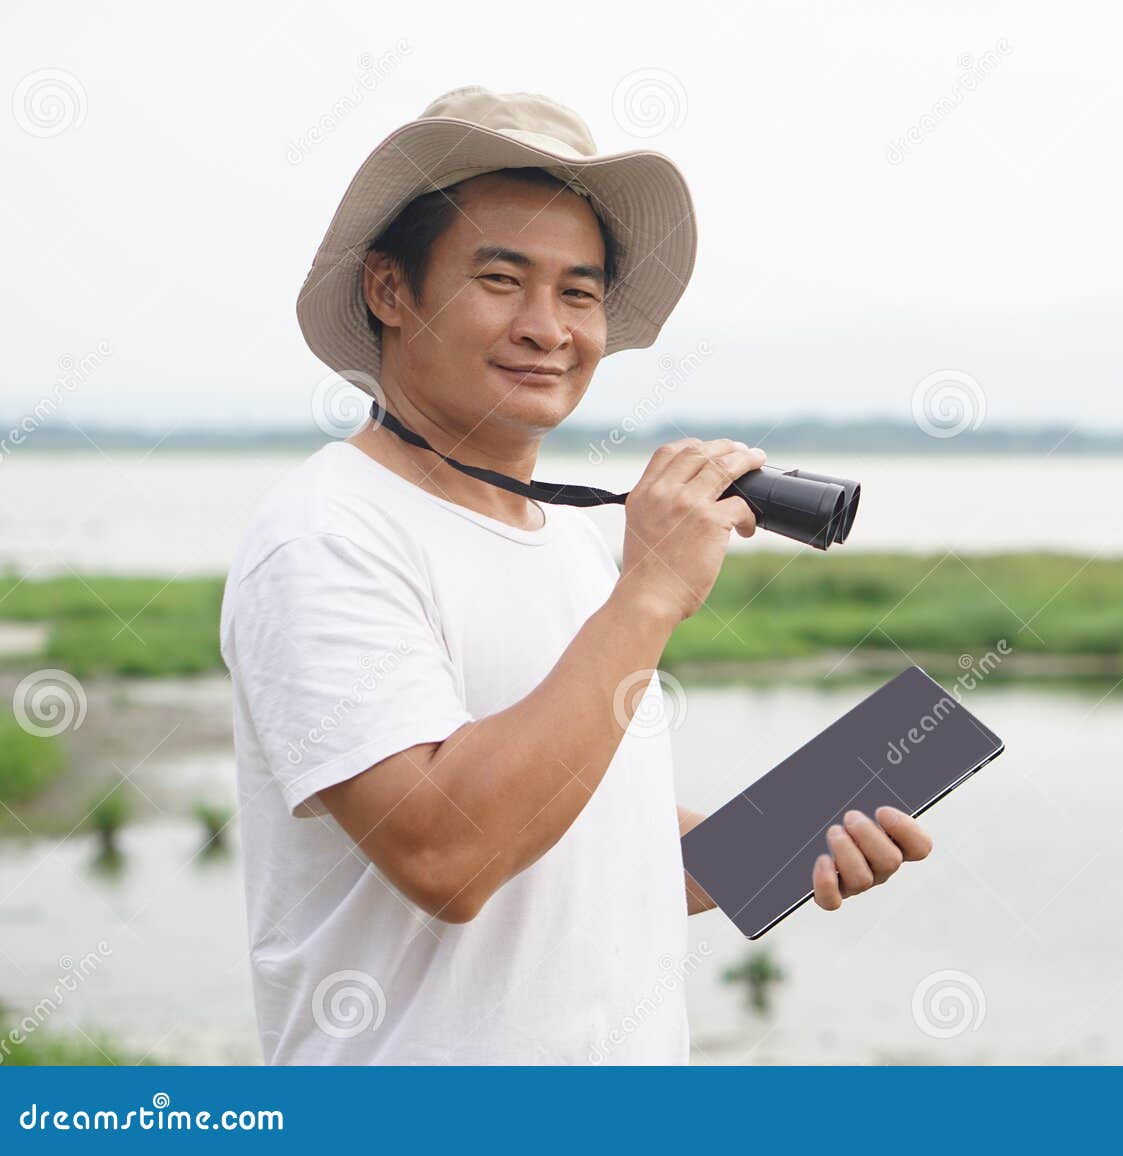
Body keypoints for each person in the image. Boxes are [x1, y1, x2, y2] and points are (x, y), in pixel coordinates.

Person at [220, 86, 933, 1064]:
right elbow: (450, 854)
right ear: (390, 290)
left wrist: (790, 840)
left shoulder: (565, 536)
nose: (547, 328)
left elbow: (591, 838)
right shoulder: (324, 534)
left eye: (580, 292)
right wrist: (650, 594)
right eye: (502, 280)